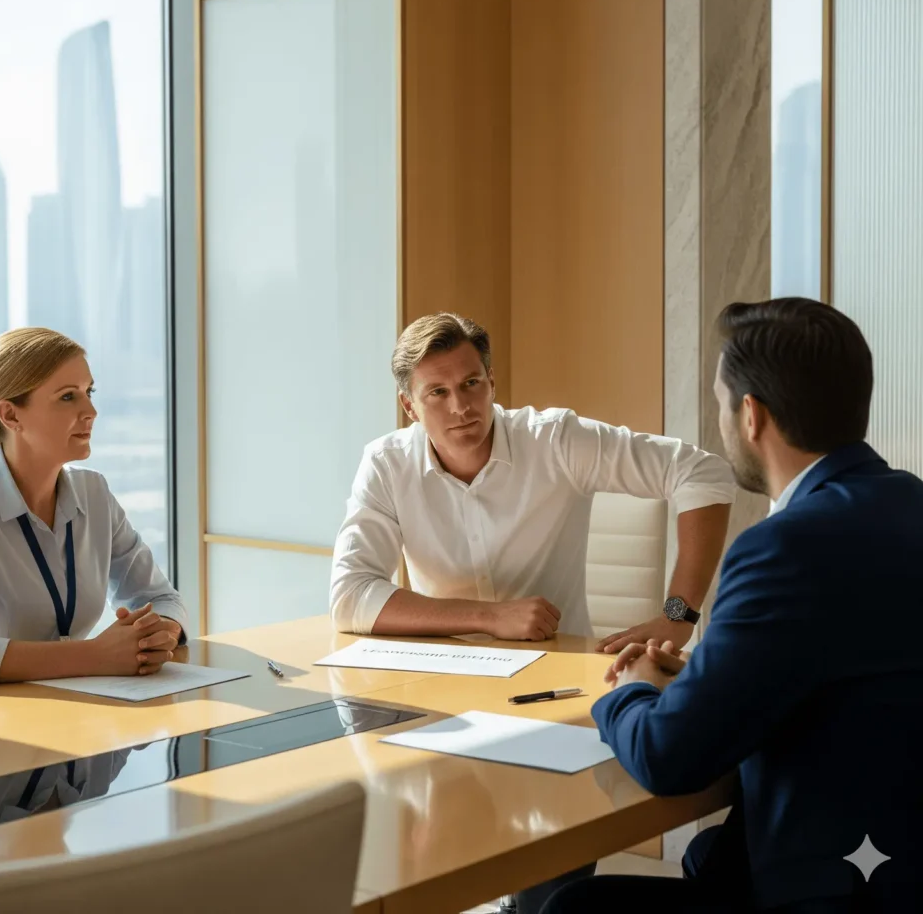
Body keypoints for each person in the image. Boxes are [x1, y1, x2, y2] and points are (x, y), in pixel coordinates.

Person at [542, 299, 923, 913]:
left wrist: (629, 689)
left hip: (824, 888)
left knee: (576, 907)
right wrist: (705, 675)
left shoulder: (782, 548)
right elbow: (849, 673)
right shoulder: (908, 504)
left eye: (720, 403)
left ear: (751, 416)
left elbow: (668, 759)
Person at [331, 313, 736, 654]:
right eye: (437, 392)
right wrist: (487, 617)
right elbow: (349, 596)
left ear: (492, 380)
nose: (460, 407)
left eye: (471, 383)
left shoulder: (555, 440)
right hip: (443, 669)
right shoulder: (386, 464)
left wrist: (678, 617)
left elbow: (703, 472)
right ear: (409, 407)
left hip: (558, 668)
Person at [0, 327, 188, 691]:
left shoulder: (94, 493)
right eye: (68, 397)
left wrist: (158, 633)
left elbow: (161, 598)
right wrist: (96, 656)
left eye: (89, 392)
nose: (91, 411)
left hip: (62, 705)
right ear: (10, 415)